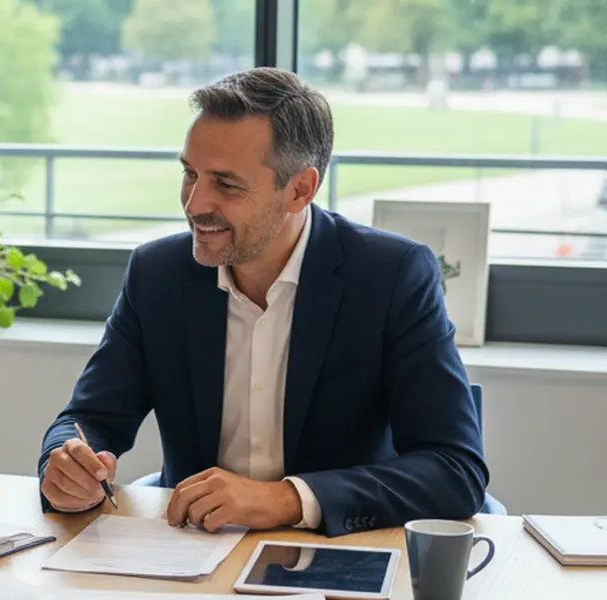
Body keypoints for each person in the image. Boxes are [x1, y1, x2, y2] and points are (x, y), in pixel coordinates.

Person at [37, 67, 490, 537]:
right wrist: (67, 464)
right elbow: (88, 419)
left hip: (341, 552)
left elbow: (454, 469)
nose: (194, 203)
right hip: (192, 556)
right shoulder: (158, 274)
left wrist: (287, 498)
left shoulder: (391, 276)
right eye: (190, 173)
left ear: (300, 189)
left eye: (226, 184)